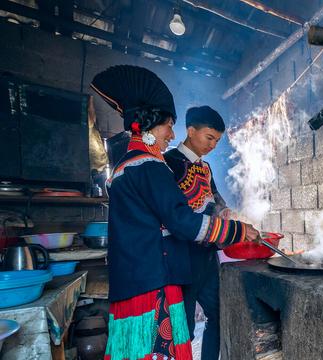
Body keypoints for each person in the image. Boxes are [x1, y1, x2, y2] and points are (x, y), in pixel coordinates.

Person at [91, 65, 259, 360]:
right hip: (157, 275)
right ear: (150, 123)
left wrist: (226, 212)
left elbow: (210, 200)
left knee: (142, 349)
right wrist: (239, 231)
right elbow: (182, 221)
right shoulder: (154, 165)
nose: (171, 132)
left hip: (136, 276)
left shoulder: (125, 166)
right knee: (168, 344)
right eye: (168, 124)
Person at [164, 106, 232, 359]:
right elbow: (173, 212)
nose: (212, 145)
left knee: (218, 315)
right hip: (182, 257)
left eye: (217, 140)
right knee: (185, 329)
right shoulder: (169, 163)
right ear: (190, 131)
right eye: (209, 137)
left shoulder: (206, 168)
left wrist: (225, 212)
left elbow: (215, 199)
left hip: (206, 257)